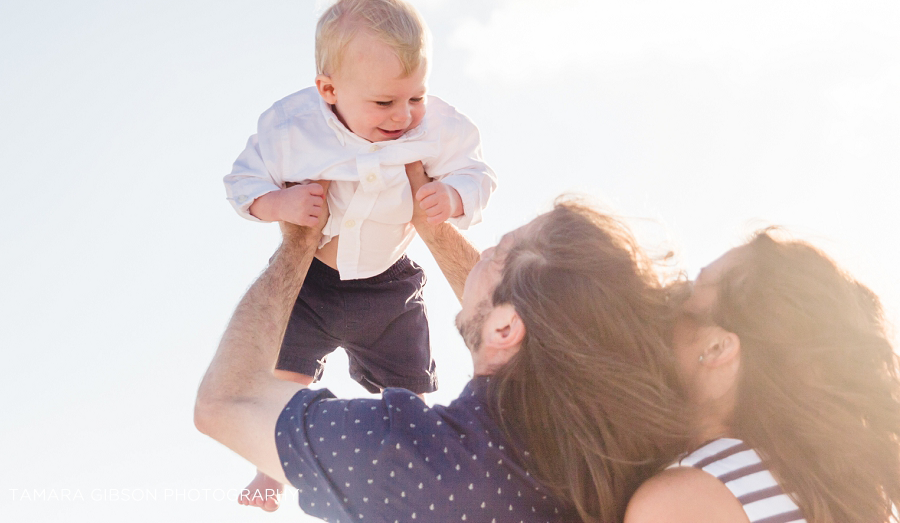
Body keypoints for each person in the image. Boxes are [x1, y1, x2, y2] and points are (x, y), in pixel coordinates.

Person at [195, 164, 686, 522]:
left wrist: (297, 248)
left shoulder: (418, 457)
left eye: (496, 251)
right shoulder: (619, 449)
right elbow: (523, 324)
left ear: (504, 331)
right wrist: (433, 229)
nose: (484, 251)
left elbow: (226, 403)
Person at [222, 0, 496, 508]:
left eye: (415, 96)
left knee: (410, 390)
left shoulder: (440, 127)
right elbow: (242, 184)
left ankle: (419, 470)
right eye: (384, 102)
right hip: (314, 283)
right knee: (288, 375)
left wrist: (453, 196)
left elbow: (479, 175)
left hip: (390, 285)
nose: (403, 115)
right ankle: (270, 469)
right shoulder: (291, 129)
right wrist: (279, 203)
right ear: (329, 89)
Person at [625, 230, 900, 523]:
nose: (668, 298)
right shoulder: (816, 489)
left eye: (692, 289)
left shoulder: (678, 503)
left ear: (718, 348)